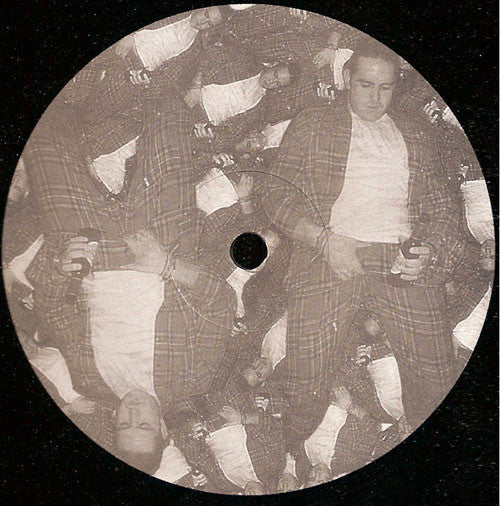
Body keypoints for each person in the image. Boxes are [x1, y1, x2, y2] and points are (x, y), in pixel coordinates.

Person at [262, 39, 464, 429]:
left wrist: (430, 249)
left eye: (385, 87)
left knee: (438, 380)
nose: (375, 98)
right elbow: (275, 192)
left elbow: (443, 208)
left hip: (399, 260)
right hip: (329, 255)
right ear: (346, 78)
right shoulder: (314, 122)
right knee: (304, 383)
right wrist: (323, 240)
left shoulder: (414, 132)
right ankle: (295, 448)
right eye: (365, 85)